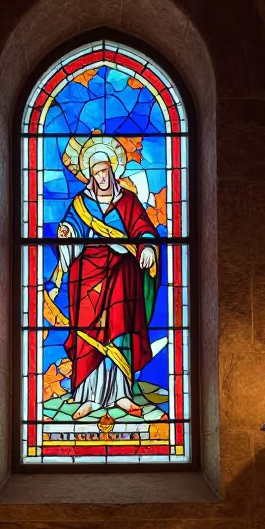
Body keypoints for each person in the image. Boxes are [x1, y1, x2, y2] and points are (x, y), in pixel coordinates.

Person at [51, 135, 160, 420]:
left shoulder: (128, 201)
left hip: (123, 274)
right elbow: (72, 231)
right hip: (87, 276)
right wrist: (68, 235)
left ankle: (122, 394)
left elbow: (143, 229)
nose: (101, 177)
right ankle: (88, 396)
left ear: (113, 172)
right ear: (90, 175)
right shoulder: (80, 204)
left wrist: (147, 246)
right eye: (96, 173)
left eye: (105, 171)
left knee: (121, 330)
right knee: (89, 333)